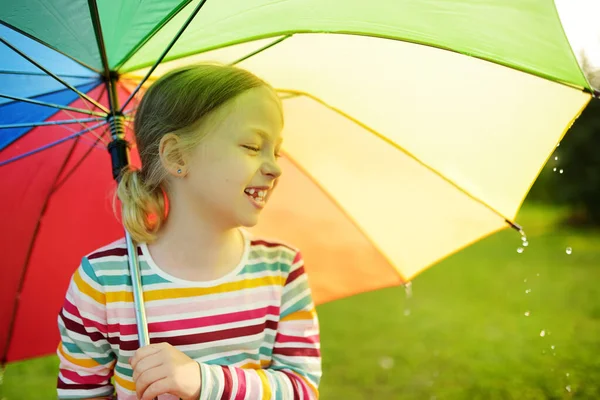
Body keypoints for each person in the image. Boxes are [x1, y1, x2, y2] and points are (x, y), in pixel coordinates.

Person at [56, 64, 321, 400]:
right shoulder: (104, 281)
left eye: (276, 150)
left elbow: (302, 389)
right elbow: (80, 394)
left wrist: (201, 381)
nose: (275, 167)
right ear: (177, 155)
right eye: (253, 146)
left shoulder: (281, 269)